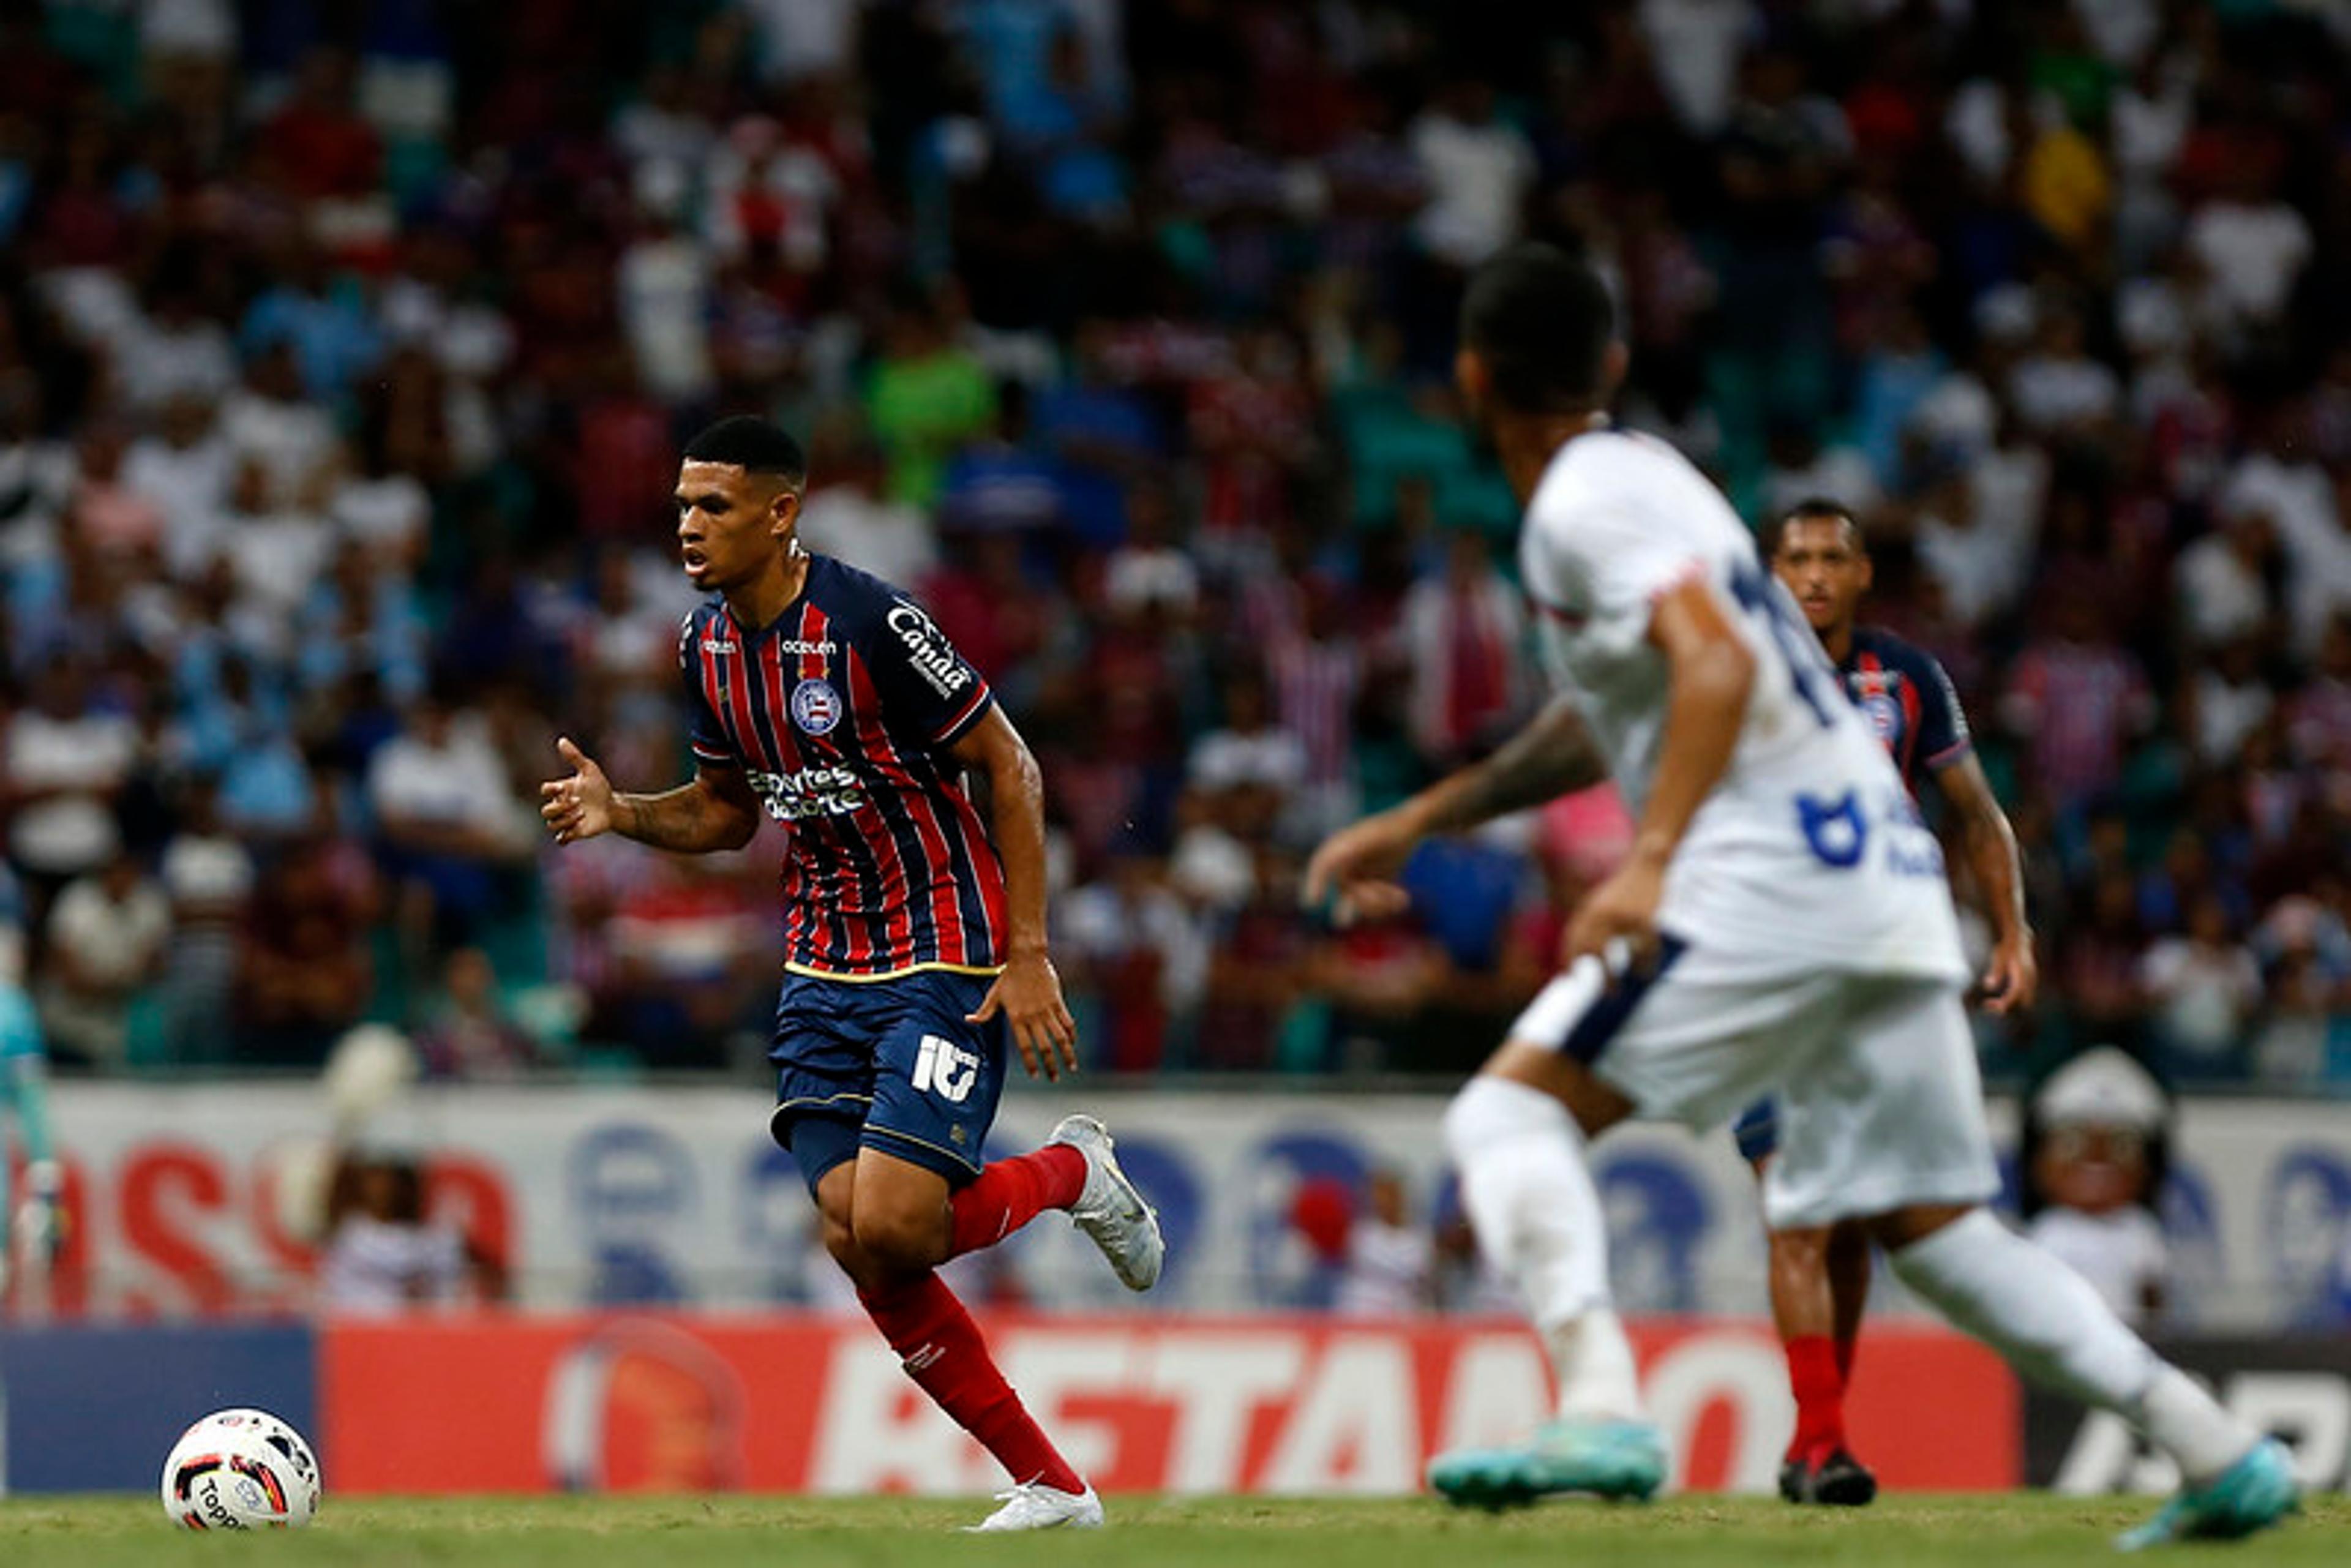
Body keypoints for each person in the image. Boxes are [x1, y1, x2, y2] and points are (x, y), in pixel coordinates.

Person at [1303, 244, 2295, 1548]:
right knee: (1938, 1233)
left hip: (1769, 880)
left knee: (1503, 1120)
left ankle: (1601, 1405)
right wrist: (1422, 818)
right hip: (1887, 886)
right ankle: (2219, 1450)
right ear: (1609, 366)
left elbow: (1709, 672)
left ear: (1471, 378)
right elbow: (1617, 713)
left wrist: (1649, 863)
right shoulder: (1660, 483)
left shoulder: (1578, 508)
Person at [540, 416, 1163, 1533]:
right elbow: (728, 815)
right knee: (858, 1231)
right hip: (822, 958)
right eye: (682, 505)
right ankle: (1053, 1485)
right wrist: (620, 813)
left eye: (714, 505)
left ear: (781, 512)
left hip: (943, 939)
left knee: (899, 1223)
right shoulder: (703, 648)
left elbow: (1006, 762)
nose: (688, 526)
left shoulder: (874, 621)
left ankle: (1072, 1171)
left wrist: (1029, 951)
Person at [1731, 498, 2039, 1505]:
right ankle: (1822, 1442)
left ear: (1863, 575)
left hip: (1889, 964)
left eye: (1834, 558)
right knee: (1797, 1209)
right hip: (1776, 962)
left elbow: (1979, 817)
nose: (1815, 575)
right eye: (1798, 558)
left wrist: (2014, 931)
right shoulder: (1733, 670)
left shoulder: (1907, 675)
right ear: (1770, 572)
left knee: (1855, 1222)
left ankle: (1820, 1436)